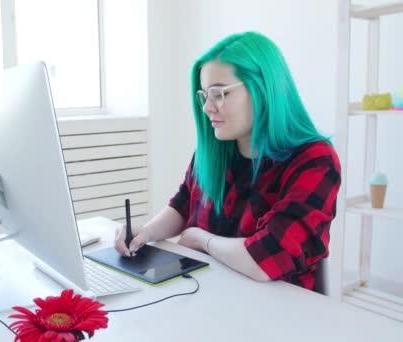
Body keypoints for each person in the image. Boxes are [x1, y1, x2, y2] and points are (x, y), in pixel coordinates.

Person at [114, 32, 341, 291]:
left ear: (263, 90)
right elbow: (183, 204)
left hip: (278, 311)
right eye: (205, 95)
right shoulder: (213, 150)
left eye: (219, 93)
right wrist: (146, 232)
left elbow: (264, 260)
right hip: (210, 291)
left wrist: (202, 240)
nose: (207, 107)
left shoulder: (315, 161)